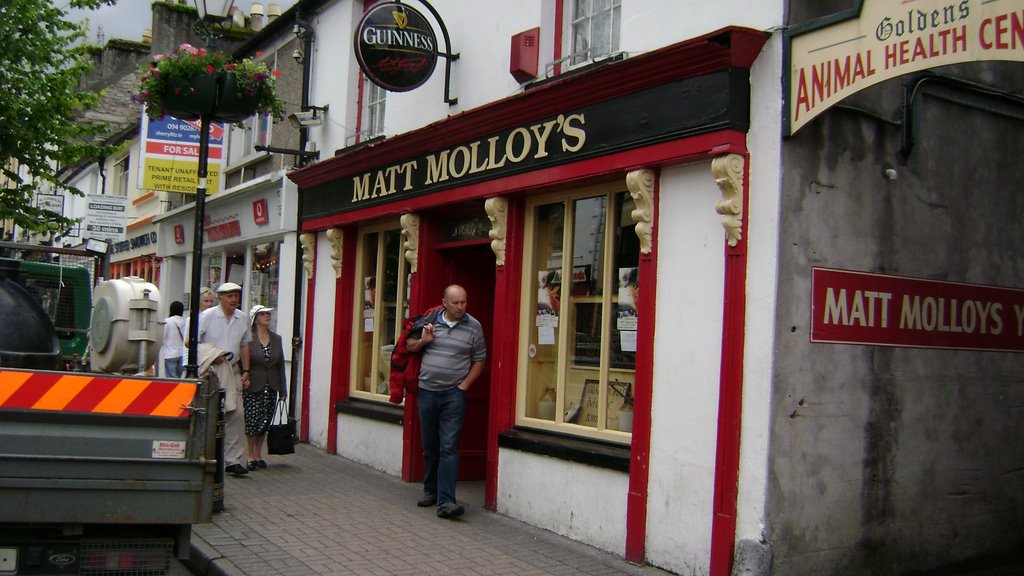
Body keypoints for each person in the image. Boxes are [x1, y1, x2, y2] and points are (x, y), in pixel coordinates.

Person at [406, 285, 487, 519]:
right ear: (444, 302)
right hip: (427, 391)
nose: (460, 307)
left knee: (449, 446)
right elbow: (410, 346)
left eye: (464, 302)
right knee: (430, 445)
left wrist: (464, 386)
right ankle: (430, 491)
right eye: (456, 303)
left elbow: (480, 359)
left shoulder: (474, 326)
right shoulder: (429, 320)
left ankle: (446, 501)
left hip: (453, 394)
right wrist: (424, 340)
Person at [196, 282, 252, 477]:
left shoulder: (242, 318)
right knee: (209, 411)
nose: (234, 299)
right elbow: (192, 341)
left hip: (233, 369)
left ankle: (233, 460)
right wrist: (210, 354)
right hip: (212, 369)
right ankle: (204, 452)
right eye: (230, 296)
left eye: (236, 295)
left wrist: (246, 370)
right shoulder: (208, 316)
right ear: (221, 298)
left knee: (236, 413)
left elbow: (245, 345)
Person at [243, 304, 287, 471]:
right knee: (252, 420)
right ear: (255, 319)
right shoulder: (248, 338)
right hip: (254, 384)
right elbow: (244, 362)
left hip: (272, 385)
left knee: (265, 421)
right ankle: (250, 455)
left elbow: (280, 365)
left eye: (268, 314)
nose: (267, 317)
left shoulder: (276, 338)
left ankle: (259, 454)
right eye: (263, 315)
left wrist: (283, 390)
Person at [183, 286, 216, 374]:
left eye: (211, 301)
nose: (209, 304)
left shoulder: (216, 320)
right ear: (199, 302)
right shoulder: (192, 320)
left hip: (214, 361)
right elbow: (186, 343)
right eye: (206, 301)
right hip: (198, 361)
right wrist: (186, 364)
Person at [160, 301, 186, 378]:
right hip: (182, 354)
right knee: (180, 378)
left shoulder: (167, 321)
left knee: (172, 379)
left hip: (170, 354)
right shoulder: (185, 321)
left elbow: (162, 337)